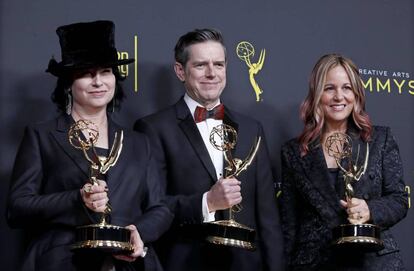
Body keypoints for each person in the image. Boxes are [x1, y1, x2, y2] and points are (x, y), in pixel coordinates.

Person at [7, 20, 173, 271]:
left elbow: (159, 208)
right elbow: (17, 208)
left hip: (130, 264)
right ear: (68, 84)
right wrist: (77, 198)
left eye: (105, 71)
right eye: (86, 73)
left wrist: (139, 232)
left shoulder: (140, 142)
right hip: (64, 260)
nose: (98, 81)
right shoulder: (42, 135)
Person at [134, 28, 282, 271]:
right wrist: (206, 202)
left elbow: (268, 218)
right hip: (185, 262)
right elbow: (151, 208)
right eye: (201, 65)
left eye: (219, 64)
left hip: (245, 264)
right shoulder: (153, 128)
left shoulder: (251, 129)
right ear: (180, 71)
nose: (212, 73)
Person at [280, 53, 408, 271]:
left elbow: (399, 200)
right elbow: (289, 223)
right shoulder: (293, 151)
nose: (339, 96)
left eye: (347, 88)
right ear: (317, 94)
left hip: (372, 262)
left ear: (356, 94)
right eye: (329, 88)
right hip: (316, 263)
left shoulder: (380, 139)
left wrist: (370, 210)